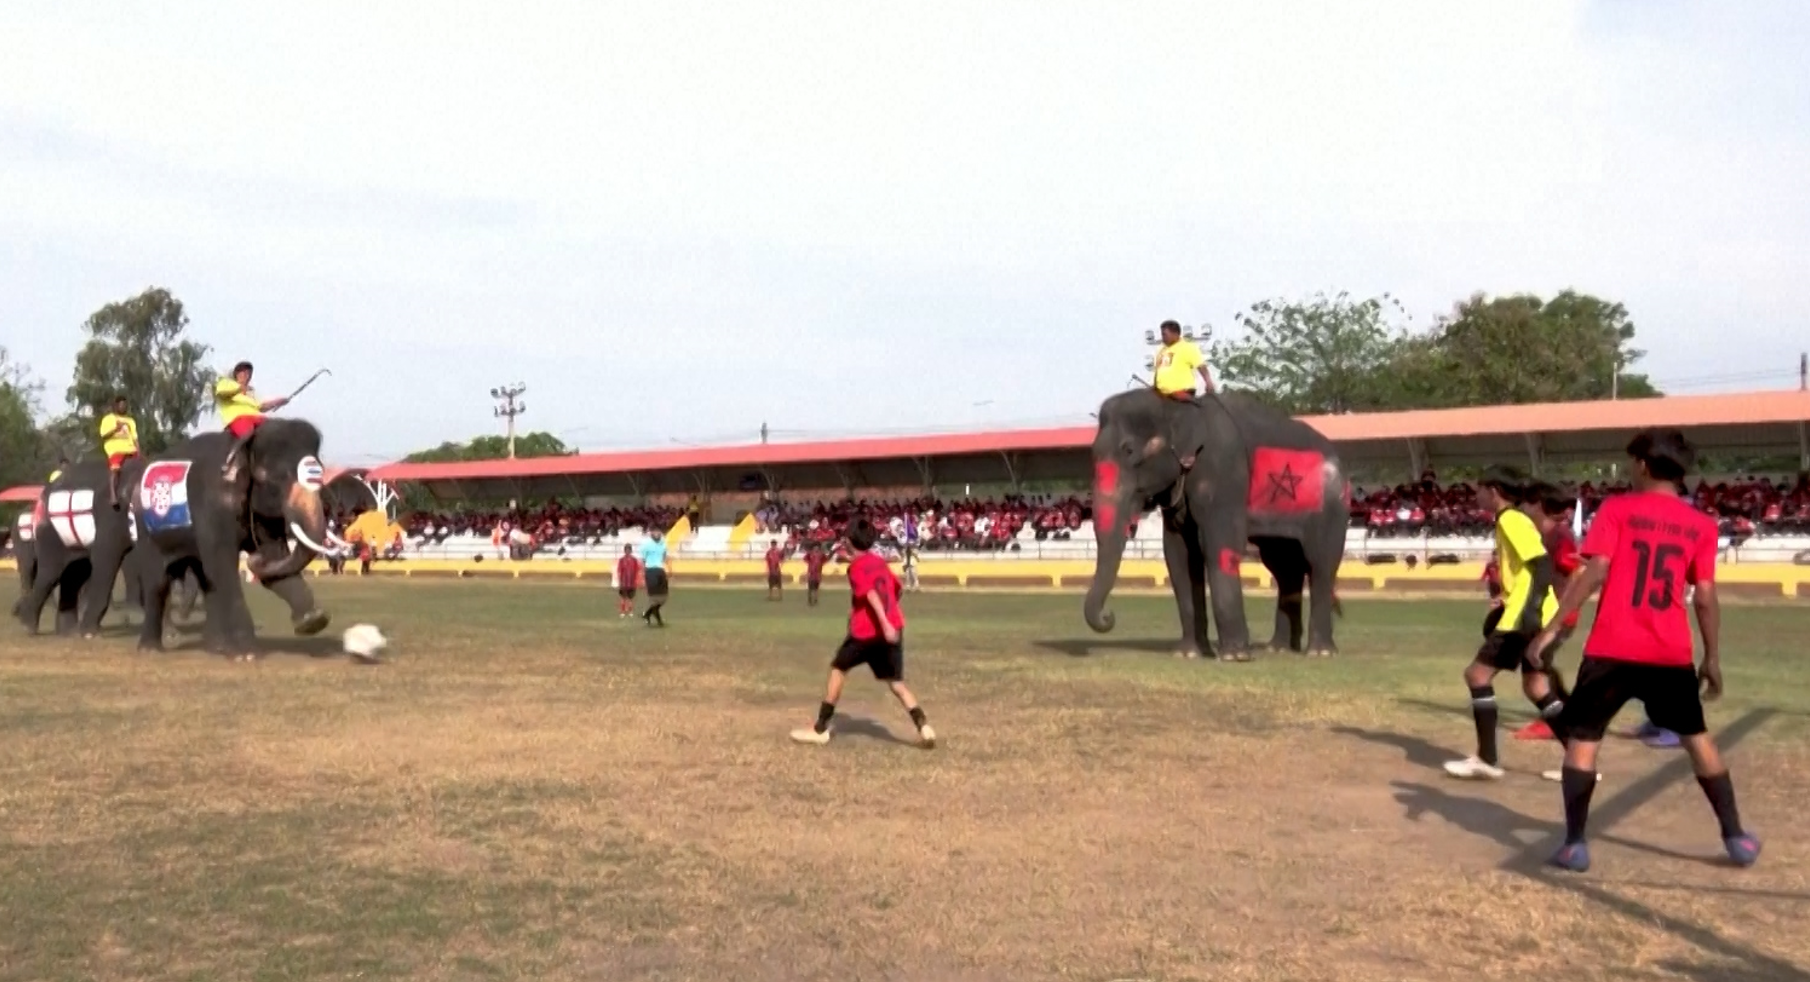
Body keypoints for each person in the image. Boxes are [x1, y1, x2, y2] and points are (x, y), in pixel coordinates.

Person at [1528, 428, 1760, 873]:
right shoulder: (1702, 525)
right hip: (1669, 652)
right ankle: (1736, 836)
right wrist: (1711, 657)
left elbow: (1594, 573)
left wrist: (1551, 630)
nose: (1628, 469)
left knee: (1583, 741)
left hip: (1612, 648)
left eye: (1630, 461)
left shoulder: (1618, 509)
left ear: (1644, 465)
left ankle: (1575, 844)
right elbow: (1706, 595)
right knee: (1698, 739)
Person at [1444, 466, 1563, 781]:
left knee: (1477, 674)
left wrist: (1529, 610)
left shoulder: (1511, 519)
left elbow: (1541, 563)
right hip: (1532, 612)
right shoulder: (1510, 520)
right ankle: (1581, 760)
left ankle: (1487, 759)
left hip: (1526, 617)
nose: (1476, 494)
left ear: (1493, 490)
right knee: (1536, 686)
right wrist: (1509, 598)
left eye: (1479, 488)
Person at [790, 518, 935, 748]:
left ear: (847, 541)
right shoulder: (879, 562)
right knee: (896, 683)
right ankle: (924, 726)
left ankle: (820, 729)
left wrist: (883, 622)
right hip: (893, 628)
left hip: (866, 633)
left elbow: (870, 594)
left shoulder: (856, 568)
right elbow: (895, 591)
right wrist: (890, 621)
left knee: (838, 670)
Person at [1514, 482, 1581, 742]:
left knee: (1535, 673)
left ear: (1537, 505)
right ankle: (1568, 710)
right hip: (1545, 612)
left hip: (1555, 615)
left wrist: (1560, 612)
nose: (1520, 508)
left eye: (1524, 503)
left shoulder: (1558, 536)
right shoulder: (1542, 534)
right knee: (1541, 666)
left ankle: (1553, 720)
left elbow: (1573, 571)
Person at [216, 361, 288, 480]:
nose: (246, 375)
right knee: (248, 431)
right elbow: (221, 394)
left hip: (256, 418)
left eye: (249, 373)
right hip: (237, 418)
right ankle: (231, 460)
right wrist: (239, 388)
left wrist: (277, 402)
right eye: (243, 372)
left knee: (276, 429)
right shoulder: (227, 383)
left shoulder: (251, 392)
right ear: (236, 374)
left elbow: (261, 407)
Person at [1151, 320, 1214, 400]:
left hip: (1182, 393)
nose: (1163, 337)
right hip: (1163, 395)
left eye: (1165, 334)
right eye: (1162, 334)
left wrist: (1208, 382)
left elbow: (1201, 366)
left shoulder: (1187, 347)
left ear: (1175, 333)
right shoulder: (1161, 351)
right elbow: (1159, 372)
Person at [98, 395, 139, 509]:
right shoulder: (109, 419)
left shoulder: (130, 421)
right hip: (116, 449)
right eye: (121, 405)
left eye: (125, 405)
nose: (123, 407)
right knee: (116, 470)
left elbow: (135, 437)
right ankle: (113, 495)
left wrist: (139, 451)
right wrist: (116, 429)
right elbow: (104, 435)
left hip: (130, 448)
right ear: (116, 406)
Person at [639, 529, 669, 627]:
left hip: (660, 570)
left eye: (658, 532)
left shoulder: (663, 544)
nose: (657, 534)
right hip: (650, 570)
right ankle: (658, 621)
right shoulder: (646, 545)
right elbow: (643, 560)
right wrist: (644, 573)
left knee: (664, 596)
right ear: (651, 533)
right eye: (654, 532)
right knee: (654, 598)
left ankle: (647, 614)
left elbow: (664, 557)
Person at [615, 544, 641, 619]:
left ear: (631, 551)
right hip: (624, 582)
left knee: (630, 598)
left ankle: (630, 611)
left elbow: (637, 570)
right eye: (626, 550)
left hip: (632, 582)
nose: (628, 551)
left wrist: (637, 581)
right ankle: (622, 611)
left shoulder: (634, 560)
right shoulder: (621, 560)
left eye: (629, 550)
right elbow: (619, 570)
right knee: (623, 598)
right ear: (624, 551)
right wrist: (620, 581)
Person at [803, 542, 829, 606]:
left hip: (818, 574)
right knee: (810, 588)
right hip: (811, 573)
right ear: (813, 548)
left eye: (817, 548)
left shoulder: (821, 555)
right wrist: (809, 564)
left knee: (816, 589)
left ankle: (815, 600)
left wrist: (821, 564)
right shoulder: (810, 554)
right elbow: (805, 559)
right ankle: (809, 600)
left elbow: (825, 559)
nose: (816, 549)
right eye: (815, 548)